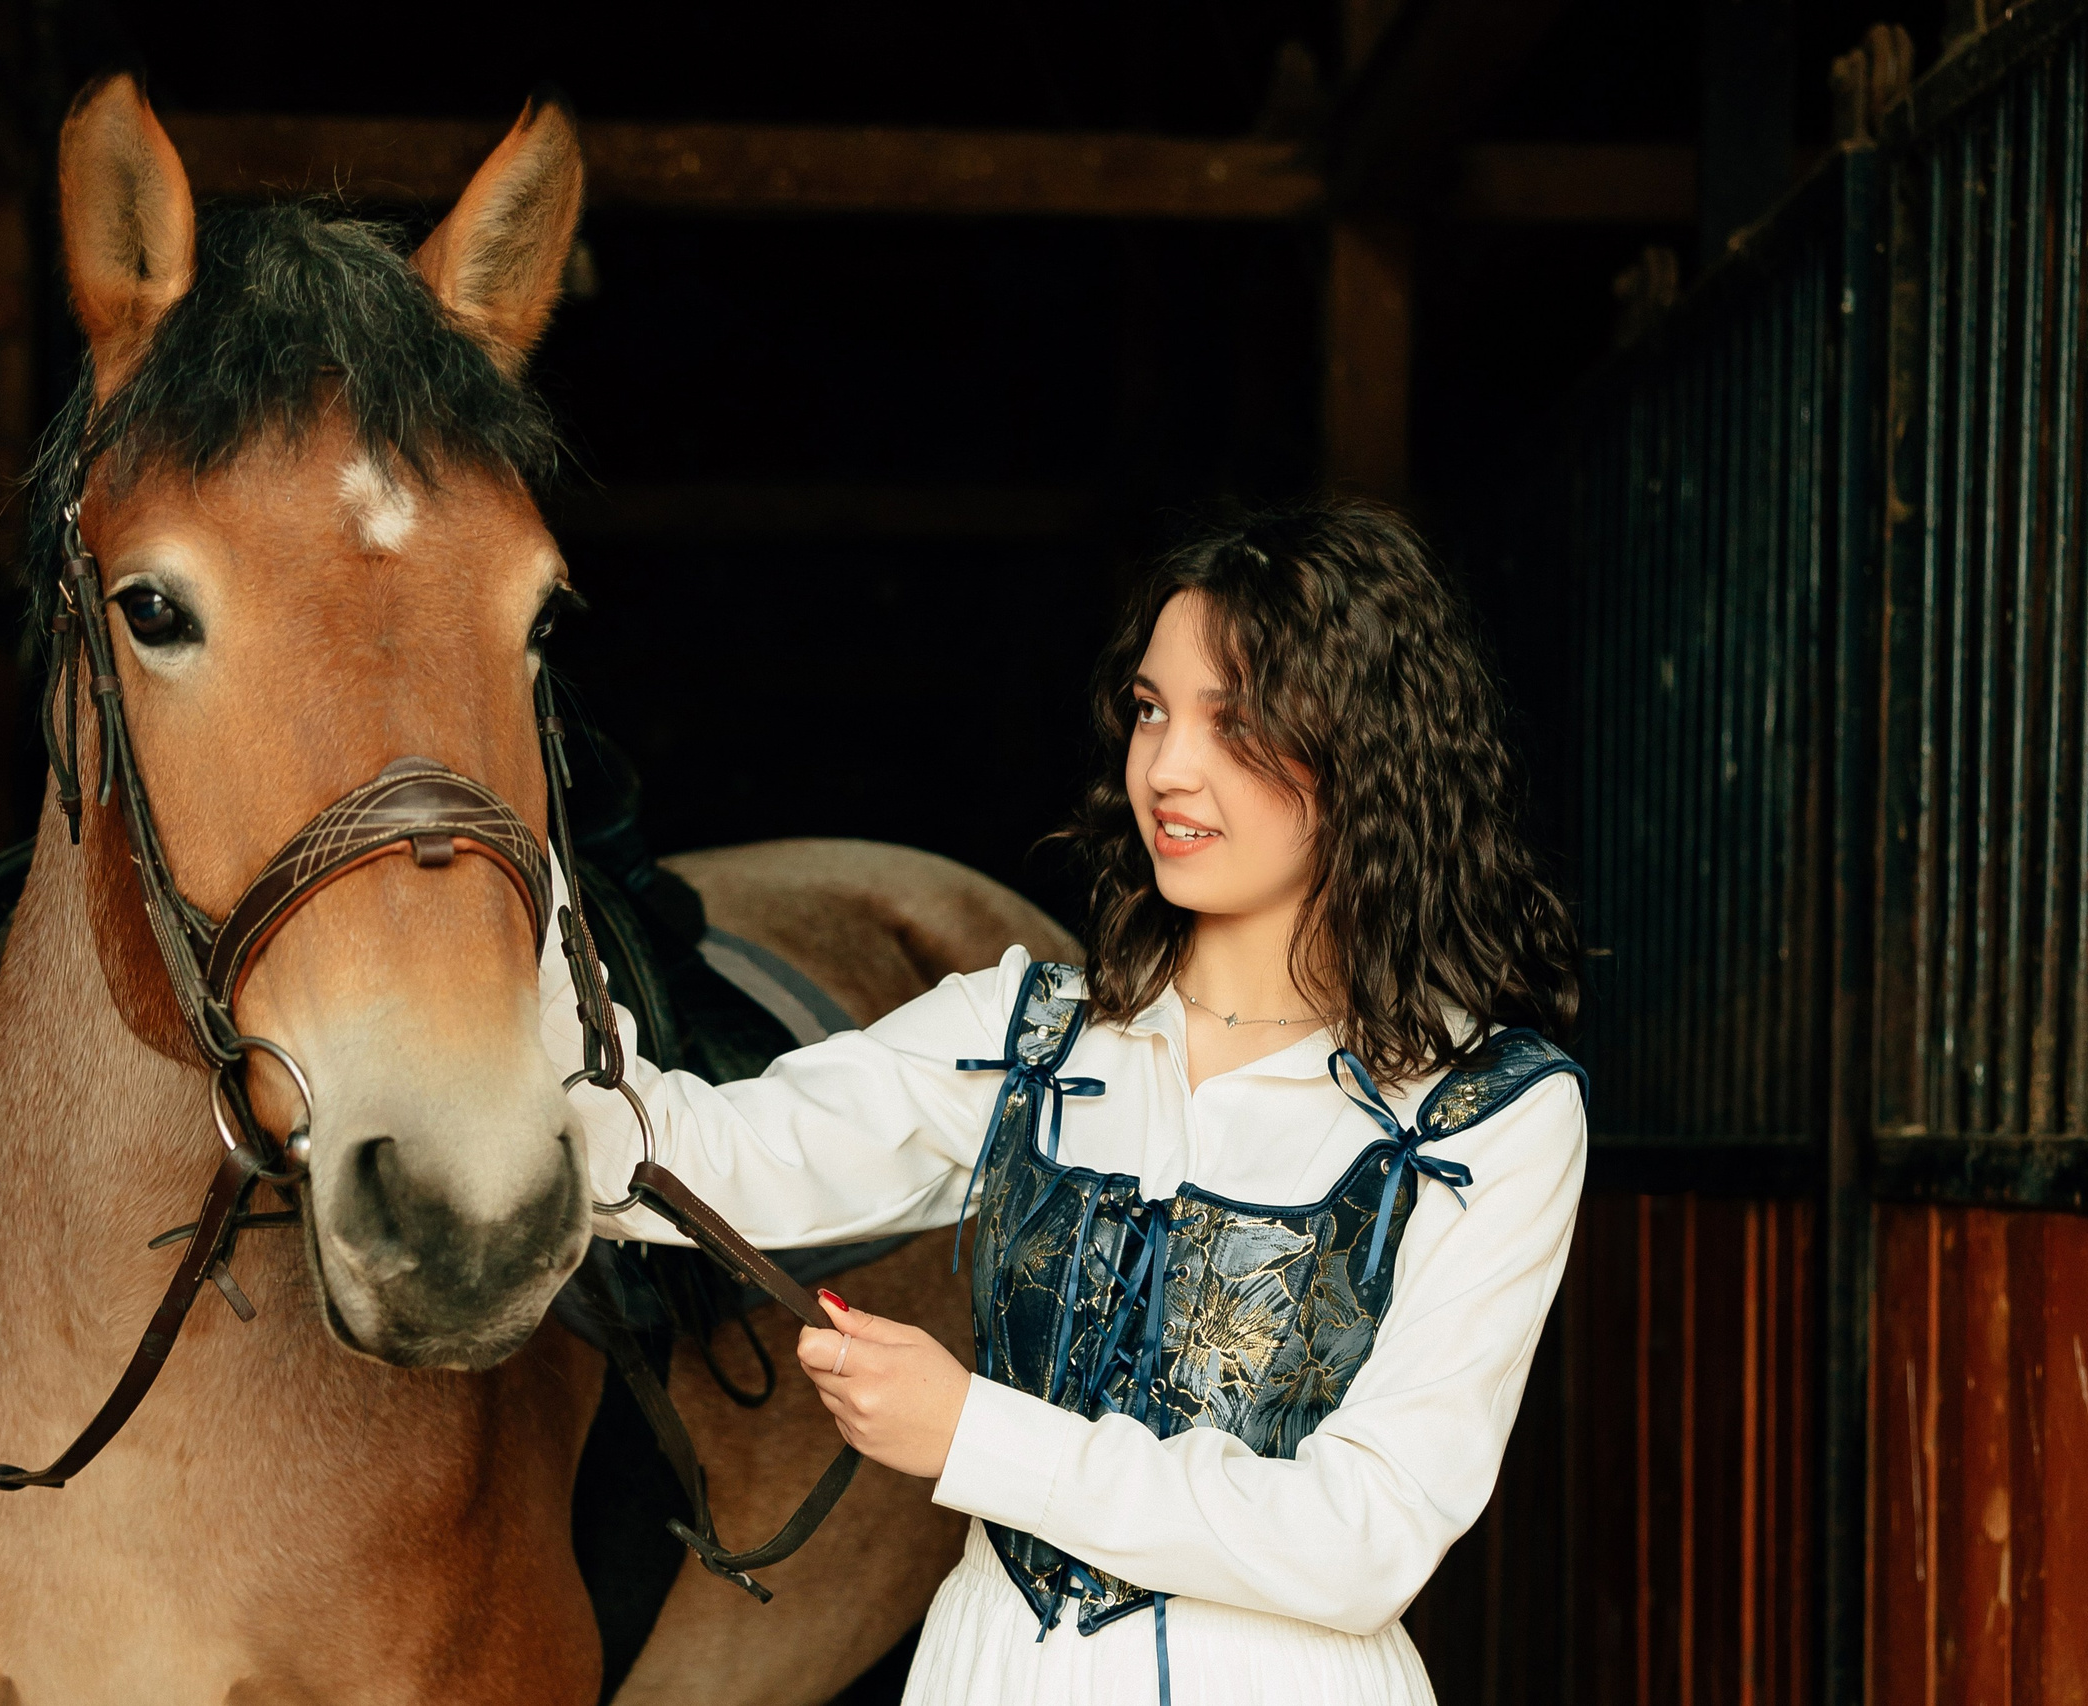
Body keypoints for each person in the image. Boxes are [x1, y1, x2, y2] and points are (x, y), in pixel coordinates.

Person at [545, 498, 1588, 1706]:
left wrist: (974, 1435)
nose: (1167, 767)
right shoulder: (1024, 1033)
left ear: (1372, 752)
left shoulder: (1489, 1115)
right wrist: (494, 907)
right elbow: (674, 1157)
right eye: (1150, 710)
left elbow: (1364, 1537)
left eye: (1234, 721)